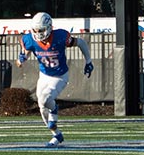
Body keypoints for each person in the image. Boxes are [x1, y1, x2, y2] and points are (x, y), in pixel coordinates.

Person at [15, 12, 94, 146]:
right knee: (41, 106)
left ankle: (54, 110)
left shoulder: (59, 37)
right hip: (44, 75)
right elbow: (25, 54)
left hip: (60, 76)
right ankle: (56, 135)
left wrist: (88, 61)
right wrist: (22, 58)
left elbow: (80, 42)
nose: (38, 33)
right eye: (35, 30)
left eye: (41, 30)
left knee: (45, 99)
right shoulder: (29, 40)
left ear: (49, 27)